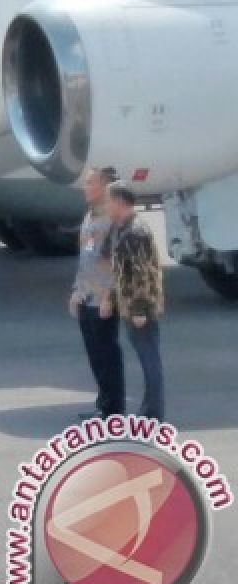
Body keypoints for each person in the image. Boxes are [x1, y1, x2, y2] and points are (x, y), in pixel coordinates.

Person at [104, 182, 166, 421]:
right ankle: (150, 411)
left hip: (140, 308)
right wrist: (111, 298)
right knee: (146, 358)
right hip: (130, 306)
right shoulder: (122, 228)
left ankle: (154, 414)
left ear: (120, 202)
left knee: (150, 360)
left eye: (109, 201)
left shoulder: (135, 232)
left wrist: (139, 309)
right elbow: (120, 271)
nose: (107, 206)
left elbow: (141, 274)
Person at [70, 166, 125, 418]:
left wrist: (109, 297)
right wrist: (76, 292)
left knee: (108, 356)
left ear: (104, 187)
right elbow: (86, 259)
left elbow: (116, 262)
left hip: (103, 299)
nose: (85, 187)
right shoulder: (90, 216)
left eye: (90, 182)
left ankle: (114, 411)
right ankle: (104, 404)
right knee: (95, 355)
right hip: (86, 298)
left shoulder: (111, 220)